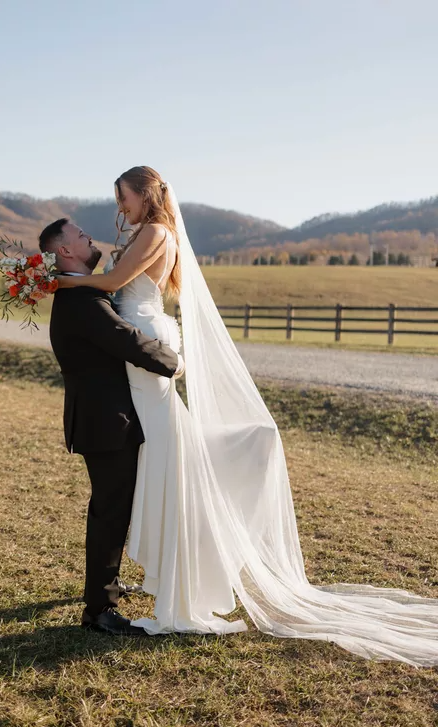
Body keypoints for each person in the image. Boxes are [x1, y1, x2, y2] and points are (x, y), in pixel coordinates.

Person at [55, 166, 438, 667]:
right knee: (159, 463)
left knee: (166, 462)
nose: (118, 207)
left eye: (122, 197)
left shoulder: (155, 232)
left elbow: (110, 281)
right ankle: (146, 575)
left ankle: (172, 574)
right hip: (139, 346)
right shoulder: (142, 232)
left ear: (143, 194)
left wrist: (59, 280)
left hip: (145, 343)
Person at [43, 217, 184, 636]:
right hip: (105, 422)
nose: (89, 238)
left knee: (112, 508)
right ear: (65, 251)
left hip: (102, 418)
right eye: (80, 236)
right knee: (110, 513)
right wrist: (175, 362)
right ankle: (99, 611)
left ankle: (104, 591)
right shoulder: (81, 301)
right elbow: (125, 339)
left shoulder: (80, 293)